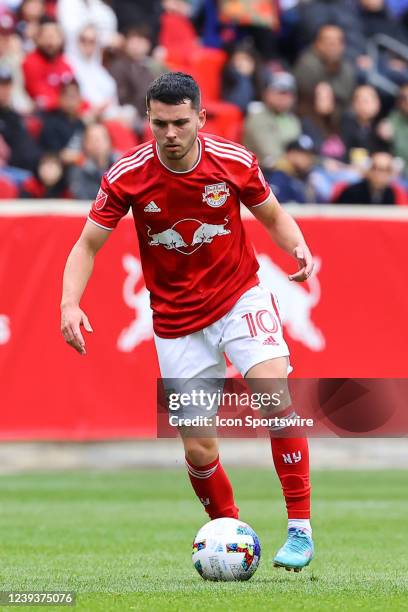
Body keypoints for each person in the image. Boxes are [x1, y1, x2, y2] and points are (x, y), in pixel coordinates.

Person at [60, 72, 315, 572]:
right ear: (147, 121)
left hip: (240, 297)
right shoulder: (126, 175)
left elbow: (273, 216)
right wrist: (70, 303)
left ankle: (300, 529)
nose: (170, 134)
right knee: (199, 448)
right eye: (160, 124)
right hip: (176, 319)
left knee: (275, 399)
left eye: (180, 123)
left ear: (200, 117)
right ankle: (228, 532)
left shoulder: (234, 161)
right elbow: (87, 244)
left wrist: (298, 245)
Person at [294, 24, 355, 116]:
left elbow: (347, 96)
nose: (332, 46)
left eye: (337, 42)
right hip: (310, 117)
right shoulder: (307, 64)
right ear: (317, 44)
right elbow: (308, 94)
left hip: (340, 118)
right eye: (328, 41)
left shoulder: (347, 68)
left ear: (343, 46)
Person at [243, 71, 301, 170]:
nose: (284, 98)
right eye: (280, 92)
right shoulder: (258, 118)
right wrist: (300, 160)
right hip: (262, 174)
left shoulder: (292, 119)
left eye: (289, 93)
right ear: (267, 93)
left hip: (291, 172)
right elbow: (272, 157)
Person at [22, 18, 74, 111]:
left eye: (54, 37)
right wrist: (68, 102)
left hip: (66, 111)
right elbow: (40, 96)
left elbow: (74, 91)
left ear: (61, 40)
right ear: (37, 39)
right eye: (46, 37)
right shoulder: (30, 62)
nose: (50, 42)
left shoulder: (65, 62)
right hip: (45, 114)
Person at [333, 150, 407, 204]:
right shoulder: (351, 192)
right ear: (369, 170)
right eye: (375, 168)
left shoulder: (395, 195)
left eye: (384, 170)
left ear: (390, 173)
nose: (378, 174)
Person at [264, 135, 318, 204]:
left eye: (309, 155)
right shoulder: (279, 176)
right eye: (303, 154)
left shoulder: (304, 177)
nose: (308, 159)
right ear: (290, 154)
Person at [68, 122, 115, 199]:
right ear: (85, 144)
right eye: (93, 139)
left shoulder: (118, 165)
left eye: (102, 138)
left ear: (109, 142)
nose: (98, 143)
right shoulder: (77, 170)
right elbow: (81, 198)